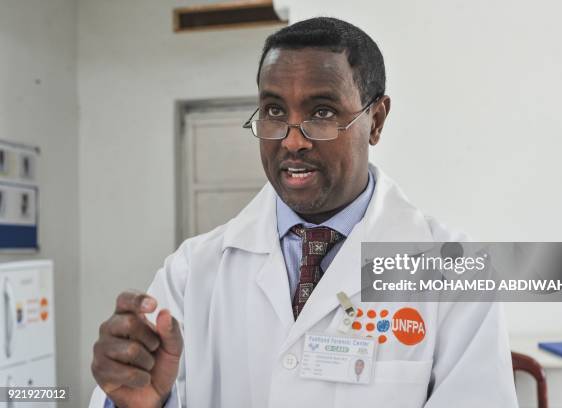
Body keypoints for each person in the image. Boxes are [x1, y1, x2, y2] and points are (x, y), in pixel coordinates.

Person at [90, 17, 518, 408]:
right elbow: (141, 391)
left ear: (377, 120)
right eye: (275, 111)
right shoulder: (192, 271)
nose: (292, 141)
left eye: (322, 112)